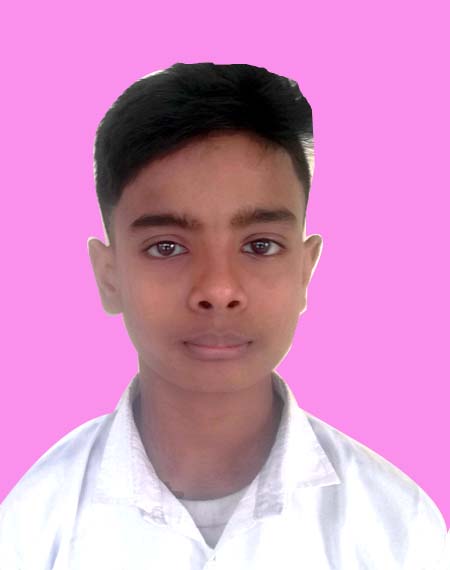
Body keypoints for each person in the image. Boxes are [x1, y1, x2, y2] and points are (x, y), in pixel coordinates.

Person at [0, 62, 447, 569]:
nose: (218, 289)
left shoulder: (398, 529)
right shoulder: (32, 526)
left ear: (305, 270)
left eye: (260, 245)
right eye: (167, 246)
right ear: (109, 276)